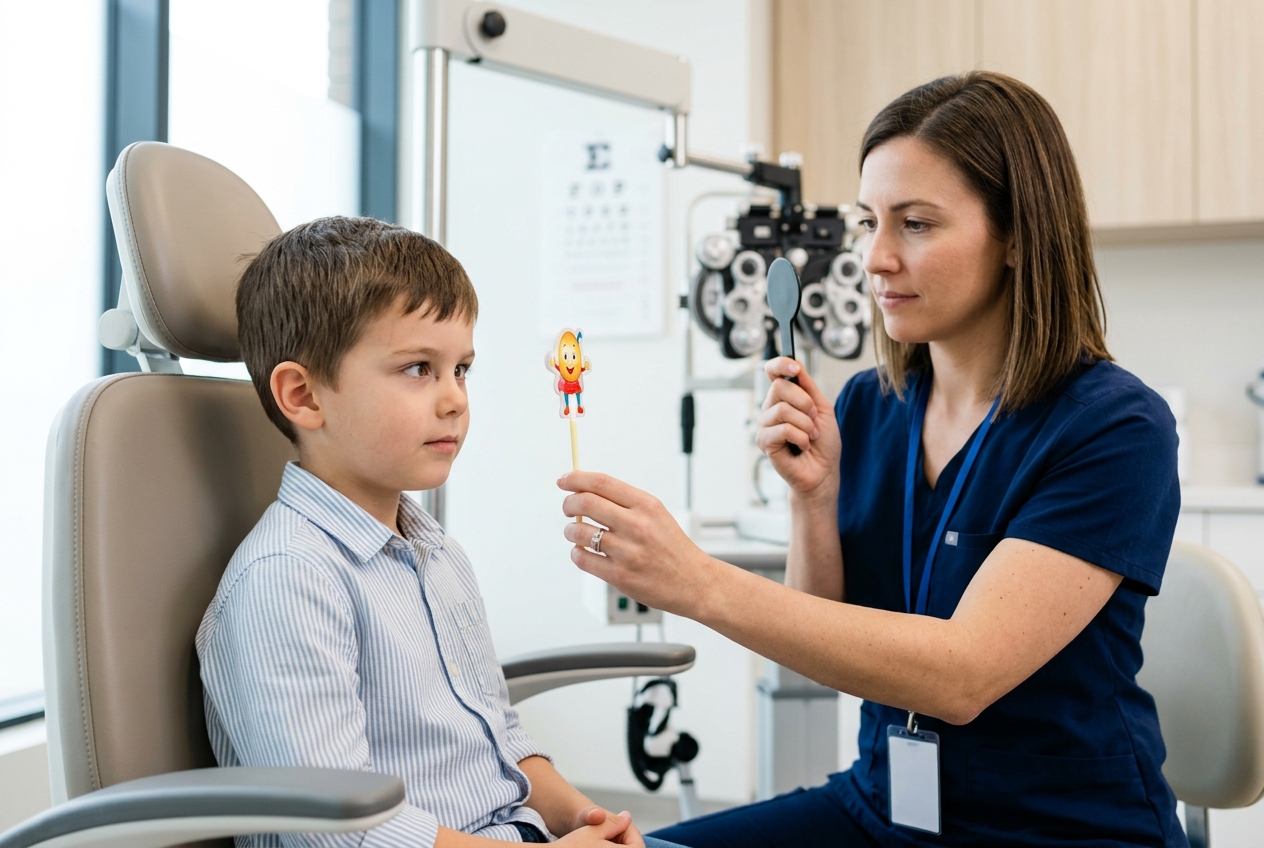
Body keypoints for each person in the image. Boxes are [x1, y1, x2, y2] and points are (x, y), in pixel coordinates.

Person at [557, 72, 1186, 846]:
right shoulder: (868, 406)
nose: (876, 257)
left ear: (1019, 236)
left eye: (916, 224)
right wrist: (812, 502)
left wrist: (693, 581)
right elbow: (822, 651)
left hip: (1056, 830)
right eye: (869, 222)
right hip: (883, 807)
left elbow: (960, 677)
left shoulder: (1114, 427)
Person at [197, 217, 680, 848]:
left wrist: (588, 821)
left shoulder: (436, 553)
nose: (455, 399)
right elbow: (341, 834)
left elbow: (499, 739)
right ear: (304, 396)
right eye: (419, 368)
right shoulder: (287, 580)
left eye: (462, 370)